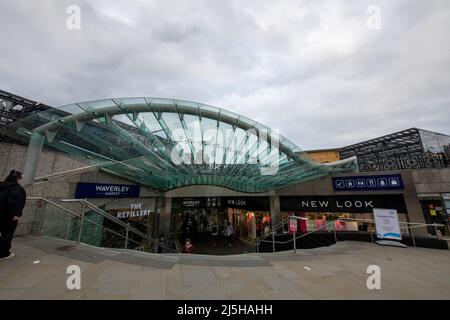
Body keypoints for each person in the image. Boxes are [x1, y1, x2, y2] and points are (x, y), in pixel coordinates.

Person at [0, 170, 26, 260]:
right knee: (7, 233)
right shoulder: (17, 188)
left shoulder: (2, 184)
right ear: (18, 178)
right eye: (21, 178)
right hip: (7, 215)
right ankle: (3, 253)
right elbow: (15, 202)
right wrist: (16, 214)